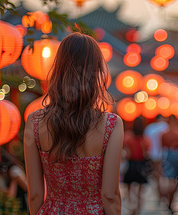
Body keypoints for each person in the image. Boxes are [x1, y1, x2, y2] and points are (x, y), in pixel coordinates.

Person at [24, 32, 123, 215]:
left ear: (58, 69)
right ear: (96, 72)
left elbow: (35, 195)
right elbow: (110, 195)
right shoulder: (111, 124)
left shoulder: (34, 122)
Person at [123, 117, 150, 215]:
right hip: (141, 164)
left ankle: (131, 206)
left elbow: (127, 155)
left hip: (131, 164)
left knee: (129, 188)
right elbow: (146, 153)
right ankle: (138, 208)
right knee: (140, 189)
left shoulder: (128, 138)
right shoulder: (145, 139)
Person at [161, 116, 178, 213]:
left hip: (168, 155)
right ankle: (171, 199)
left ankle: (169, 198)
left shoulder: (164, 134)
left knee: (169, 179)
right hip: (177, 155)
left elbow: (162, 149)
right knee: (176, 180)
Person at [143, 115, 168, 202]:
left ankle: (159, 193)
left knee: (156, 174)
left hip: (152, 153)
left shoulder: (150, 128)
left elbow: (145, 141)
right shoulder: (164, 126)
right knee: (161, 174)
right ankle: (161, 193)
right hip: (163, 154)